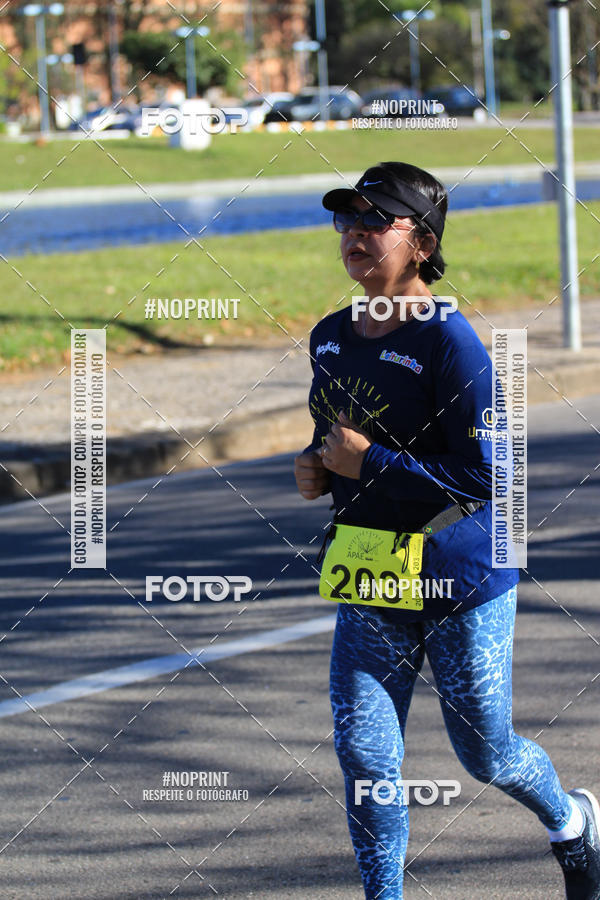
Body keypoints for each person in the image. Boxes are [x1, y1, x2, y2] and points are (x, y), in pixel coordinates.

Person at [294, 161, 600, 900]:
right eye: (347, 219)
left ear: (423, 243)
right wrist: (316, 464)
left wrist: (367, 464)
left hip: (461, 567)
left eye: (376, 220)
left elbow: (487, 477)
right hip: (370, 568)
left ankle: (574, 822)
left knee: (485, 755)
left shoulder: (452, 344)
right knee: (365, 759)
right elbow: (331, 432)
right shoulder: (330, 335)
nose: (354, 234)